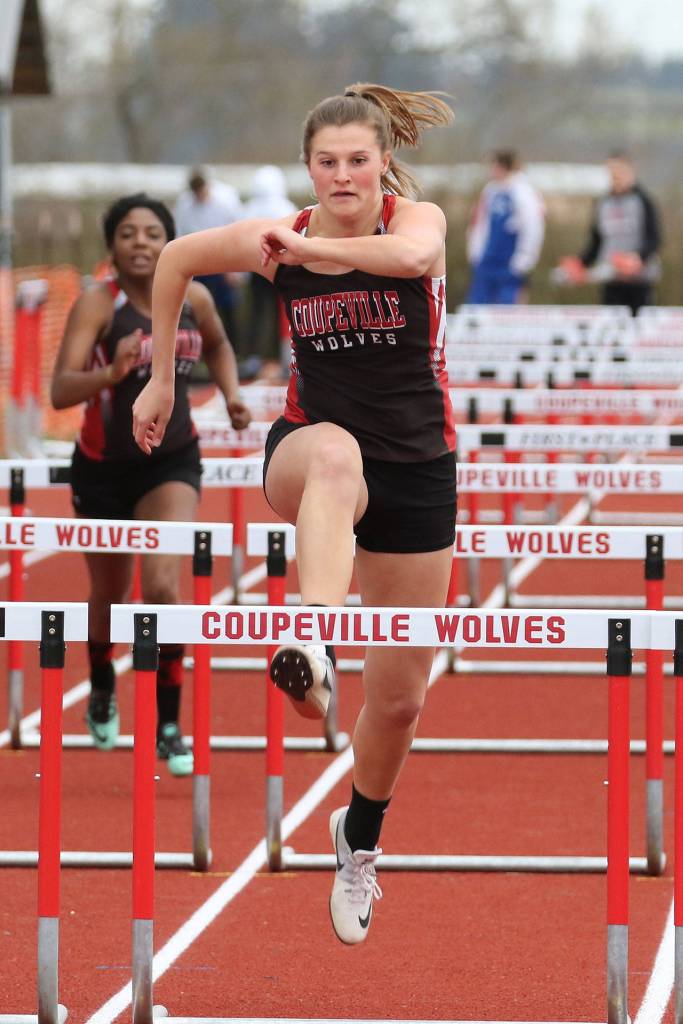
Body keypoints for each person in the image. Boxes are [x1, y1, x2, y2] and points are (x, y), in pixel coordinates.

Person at [133, 83, 456, 943]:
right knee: (337, 452)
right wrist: (166, 377)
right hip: (308, 450)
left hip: (418, 470)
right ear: (307, 167)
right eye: (326, 162)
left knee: (398, 703)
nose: (343, 175)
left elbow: (411, 262)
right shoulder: (285, 231)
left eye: (358, 160)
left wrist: (304, 258)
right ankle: (310, 631)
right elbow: (173, 262)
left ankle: (358, 843)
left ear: (383, 160)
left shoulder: (417, 221)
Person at [51, 193, 250, 775]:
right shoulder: (97, 304)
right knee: (110, 598)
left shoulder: (195, 297)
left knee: (164, 587)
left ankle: (168, 721)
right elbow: (60, 391)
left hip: (171, 460)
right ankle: (103, 677)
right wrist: (110, 373)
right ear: (111, 245)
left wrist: (232, 393)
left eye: (153, 233)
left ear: (171, 242)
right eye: (128, 234)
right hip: (104, 467)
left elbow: (216, 344)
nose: (141, 243)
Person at [559, 151, 661, 314]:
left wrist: (638, 258)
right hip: (610, 278)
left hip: (639, 282)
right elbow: (597, 242)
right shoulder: (602, 203)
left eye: (619, 171)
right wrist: (580, 263)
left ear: (630, 171)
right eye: (611, 172)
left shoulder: (643, 201)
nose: (615, 177)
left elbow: (654, 239)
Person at [174, 168, 244, 346]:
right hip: (197, 262)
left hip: (223, 259)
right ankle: (198, 348)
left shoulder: (226, 200)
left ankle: (232, 349)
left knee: (227, 307)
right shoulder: (184, 205)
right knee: (195, 306)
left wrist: (234, 268)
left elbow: (238, 233)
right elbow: (179, 235)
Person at [466, 149, 545, 304]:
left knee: (506, 315)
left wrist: (523, 260)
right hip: (486, 262)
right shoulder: (490, 191)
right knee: (476, 311)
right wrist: (475, 253)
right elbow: (479, 224)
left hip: (509, 264)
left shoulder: (523, 192)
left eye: (494, 165)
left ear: (503, 167)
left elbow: (532, 226)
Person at [240, 165, 297, 379]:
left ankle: (267, 356)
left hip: (264, 268)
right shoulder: (285, 207)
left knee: (269, 313)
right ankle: (273, 356)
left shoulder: (252, 210)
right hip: (276, 268)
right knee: (275, 313)